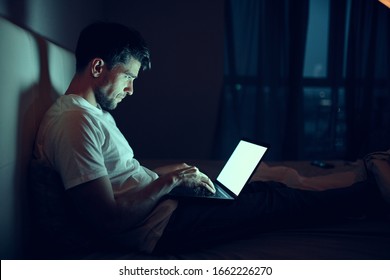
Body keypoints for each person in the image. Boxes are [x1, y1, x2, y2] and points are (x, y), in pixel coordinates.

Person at [32, 21, 390, 257]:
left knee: (263, 187)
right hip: (162, 230)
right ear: (97, 67)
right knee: (276, 202)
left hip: (166, 210)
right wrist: (170, 181)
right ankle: (370, 192)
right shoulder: (74, 123)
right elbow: (108, 221)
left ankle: (364, 182)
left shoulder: (92, 115)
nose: (131, 89)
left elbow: (123, 181)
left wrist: (172, 176)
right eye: (128, 77)